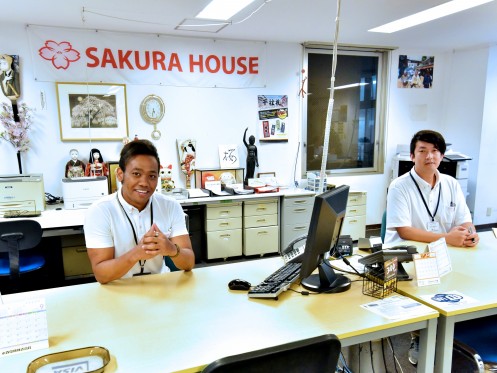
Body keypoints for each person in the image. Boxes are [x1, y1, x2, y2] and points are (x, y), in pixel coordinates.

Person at [385, 129, 479, 365]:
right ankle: (419, 336)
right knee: (427, 284)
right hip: (405, 255)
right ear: (412, 155)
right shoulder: (400, 186)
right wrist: (446, 238)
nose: (430, 156)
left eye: (435, 151)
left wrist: (470, 234)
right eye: (423, 151)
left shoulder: (451, 184)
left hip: (441, 252)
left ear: (442, 155)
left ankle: (455, 333)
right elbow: (404, 231)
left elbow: (465, 219)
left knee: (469, 279)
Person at [83, 140, 195, 283]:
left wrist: (171, 249)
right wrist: (136, 253)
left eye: (152, 176)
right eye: (136, 174)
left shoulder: (170, 206)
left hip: (160, 285)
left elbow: (189, 262)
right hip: (119, 289)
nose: (144, 182)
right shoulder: (100, 211)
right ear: (120, 174)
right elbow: (101, 275)